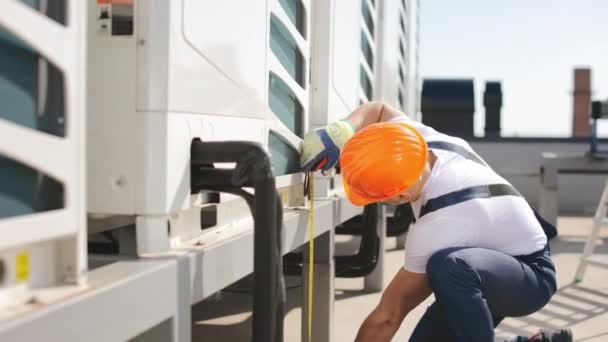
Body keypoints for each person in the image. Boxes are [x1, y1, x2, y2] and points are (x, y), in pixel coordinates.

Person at [300, 102, 573, 342]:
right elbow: (379, 109)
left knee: (447, 267)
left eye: (380, 198)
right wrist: (343, 129)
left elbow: (388, 316)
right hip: (485, 264)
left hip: (528, 278)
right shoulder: (416, 140)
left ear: (402, 195)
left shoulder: (438, 225)